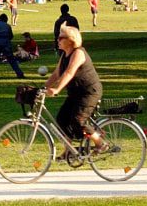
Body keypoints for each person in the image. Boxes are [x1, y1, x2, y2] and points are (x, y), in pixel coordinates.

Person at [41, 25, 108, 157]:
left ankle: (101, 143)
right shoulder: (65, 55)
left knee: (78, 121)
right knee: (61, 119)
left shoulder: (78, 53)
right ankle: (69, 150)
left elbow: (69, 73)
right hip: (75, 93)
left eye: (61, 38)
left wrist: (56, 89)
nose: (58, 40)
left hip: (89, 91)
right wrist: (42, 88)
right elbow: (56, 74)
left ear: (71, 40)